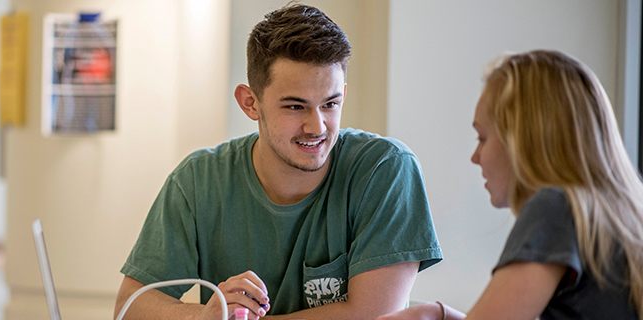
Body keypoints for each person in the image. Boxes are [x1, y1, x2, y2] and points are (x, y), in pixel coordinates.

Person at [114, 4, 443, 320]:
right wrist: (203, 316)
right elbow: (131, 308)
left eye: (330, 104)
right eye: (295, 107)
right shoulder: (197, 181)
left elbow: (375, 317)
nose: (317, 127)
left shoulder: (385, 169)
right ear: (250, 103)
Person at [379, 50, 643, 320]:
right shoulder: (617, 215)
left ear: (524, 140)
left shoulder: (555, 208)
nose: (475, 157)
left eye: (482, 138)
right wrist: (442, 314)